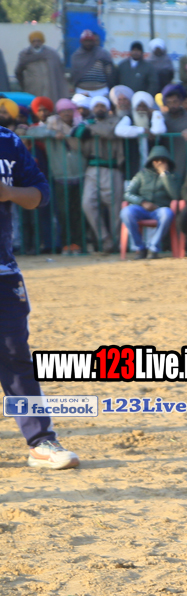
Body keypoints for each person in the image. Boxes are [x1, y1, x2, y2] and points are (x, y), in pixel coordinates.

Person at [0, 125, 81, 469]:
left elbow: (40, 194)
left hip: (3, 271)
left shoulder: (8, 141)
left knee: (15, 355)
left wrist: (8, 192)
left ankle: (41, 442)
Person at [73, 96, 126, 253]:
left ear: (108, 108)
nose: (99, 109)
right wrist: (91, 128)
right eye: (96, 106)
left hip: (112, 168)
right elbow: (76, 133)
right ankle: (105, 239)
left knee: (115, 210)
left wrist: (91, 128)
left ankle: (117, 244)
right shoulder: (88, 123)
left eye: (102, 106)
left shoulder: (116, 121)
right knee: (87, 203)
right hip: (92, 168)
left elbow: (109, 132)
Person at [120, 145, 180, 259]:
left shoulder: (174, 176)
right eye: (156, 160)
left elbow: (176, 195)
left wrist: (164, 175)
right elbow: (127, 194)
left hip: (160, 208)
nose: (159, 163)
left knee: (167, 214)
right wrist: (142, 202)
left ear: (168, 161)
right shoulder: (141, 175)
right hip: (141, 207)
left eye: (163, 160)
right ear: (151, 161)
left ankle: (153, 248)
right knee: (126, 213)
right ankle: (140, 248)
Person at [15, 30, 69, 102]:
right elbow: (18, 72)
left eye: (38, 41)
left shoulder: (52, 54)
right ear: (30, 42)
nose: (36, 43)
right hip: (33, 91)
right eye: (34, 41)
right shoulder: (25, 55)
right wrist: (25, 84)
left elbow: (60, 73)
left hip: (50, 91)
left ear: (42, 41)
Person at [69, 30, 114, 97]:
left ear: (93, 41)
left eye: (90, 41)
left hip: (101, 91)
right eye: (86, 41)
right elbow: (74, 75)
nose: (88, 43)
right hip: (81, 91)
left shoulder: (103, 54)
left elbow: (109, 73)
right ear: (81, 41)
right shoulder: (76, 56)